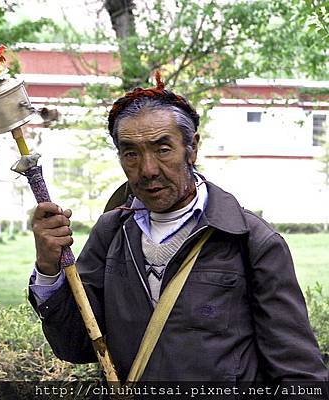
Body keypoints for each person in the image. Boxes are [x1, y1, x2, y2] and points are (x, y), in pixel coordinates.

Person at [28, 74, 328, 383]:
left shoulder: (251, 241)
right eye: (131, 153)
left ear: (192, 147)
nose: (147, 170)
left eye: (163, 149)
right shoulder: (112, 233)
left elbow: (298, 373)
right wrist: (49, 269)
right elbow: (76, 345)